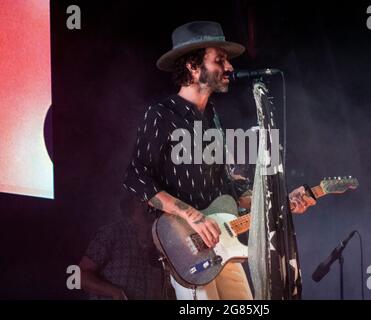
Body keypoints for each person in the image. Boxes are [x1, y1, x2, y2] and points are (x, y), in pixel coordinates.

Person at [122, 21, 316, 300]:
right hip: (187, 246)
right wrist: (193, 215)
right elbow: (135, 177)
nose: (229, 68)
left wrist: (280, 201)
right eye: (220, 60)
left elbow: (229, 190)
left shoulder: (212, 118)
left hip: (222, 243)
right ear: (192, 65)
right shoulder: (162, 114)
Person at [78, 194, 175, 299]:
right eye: (142, 200)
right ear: (132, 205)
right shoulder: (113, 232)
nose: (149, 205)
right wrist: (115, 292)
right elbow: (81, 276)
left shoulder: (161, 241)